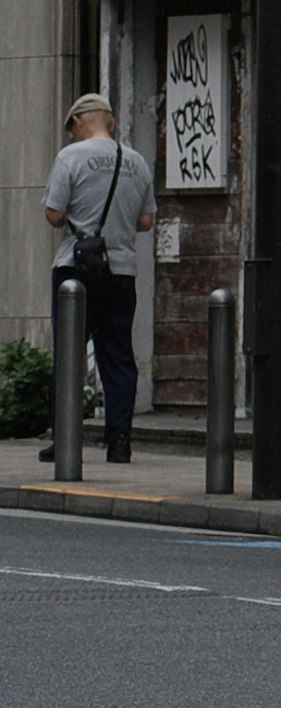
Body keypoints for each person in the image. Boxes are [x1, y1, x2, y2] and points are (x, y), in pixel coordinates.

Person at [42, 95, 153, 469]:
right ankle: (119, 441)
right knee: (119, 356)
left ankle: (65, 441)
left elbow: (54, 214)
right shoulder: (136, 162)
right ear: (111, 121)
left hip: (76, 269)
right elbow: (146, 221)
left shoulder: (69, 158)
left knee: (70, 357)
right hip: (121, 269)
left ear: (78, 122)